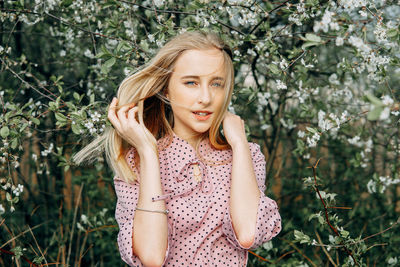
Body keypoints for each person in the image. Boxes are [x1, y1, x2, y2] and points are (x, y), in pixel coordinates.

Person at [73, 30, 281, 266]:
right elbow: (151, 257)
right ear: (166, 90)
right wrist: (149, 154)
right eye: (191, 82)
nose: (205, 97)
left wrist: (240, 144)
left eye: (216, 84)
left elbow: (249, 235)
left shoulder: (246, 155)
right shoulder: (137, 162)